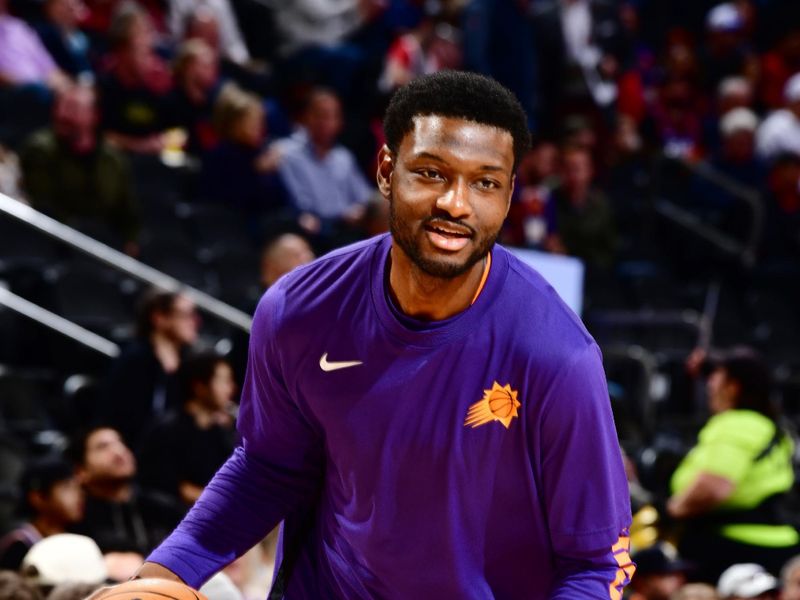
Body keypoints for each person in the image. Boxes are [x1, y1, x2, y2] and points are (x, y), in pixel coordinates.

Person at [92, 71, 633, 599]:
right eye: (432, 173)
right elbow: (268, 465)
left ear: (510, 194)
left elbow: (597, 562)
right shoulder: (299, 310)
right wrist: (163, 574)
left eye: (485, 182)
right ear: (385, 170)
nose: (456, 204)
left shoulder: (557, 355)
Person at [668, 347, 799, 582]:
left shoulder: (736, 424)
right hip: (775, 543)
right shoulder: (769, 426)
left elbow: (713, 488)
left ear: (733, 386)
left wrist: (671, 510)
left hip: (732, 549)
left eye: (716, 376)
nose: (709, 384)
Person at [20, 83, 141, 252]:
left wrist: (131, 240)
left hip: (106, 248)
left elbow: (126, 209)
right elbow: (44, 207)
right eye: (59, 105)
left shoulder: (113, 158)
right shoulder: (40, 149)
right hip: (58, 243)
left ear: (94, 116)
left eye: (72, 108)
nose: (62, 114)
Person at [101, 289, 199, 448]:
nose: (194, 322)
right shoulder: (134, 360)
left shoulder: (188, 360)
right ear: (159, 318)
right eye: (185, 315)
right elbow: (128, 421)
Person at [138, 352, 238, 505]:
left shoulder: (221, 433)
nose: (231, 388)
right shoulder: (168, 429)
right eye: (223, 381)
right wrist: (221, 502)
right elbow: (166, 485)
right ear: (200, 387)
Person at [68, 425, 184, 558]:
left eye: (120, 442)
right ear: (80, 471)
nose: (119, 451)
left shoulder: (163, 506)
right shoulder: (77, 518)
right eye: (103, 447)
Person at [0, 456, 84, 571]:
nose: (78, 495)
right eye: (67, 487)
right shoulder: (19, 546)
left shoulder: (79, 537)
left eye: (77, 487)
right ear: (38, 498)